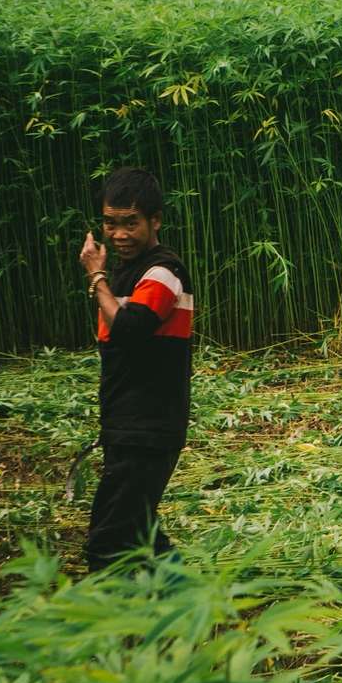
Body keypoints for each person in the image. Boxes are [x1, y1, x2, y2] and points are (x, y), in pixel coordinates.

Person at [76, 167, 194, 573]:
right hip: (126, 422)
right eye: (111, 223)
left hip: (149, 425)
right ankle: (193, 609)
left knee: (107, 541)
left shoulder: (164, 271)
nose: (120, 234)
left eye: (131, 223)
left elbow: (129, 331)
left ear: (155, 220)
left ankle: (109, 623)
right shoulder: (124, 273)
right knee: (140, 530)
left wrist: (96, 277)